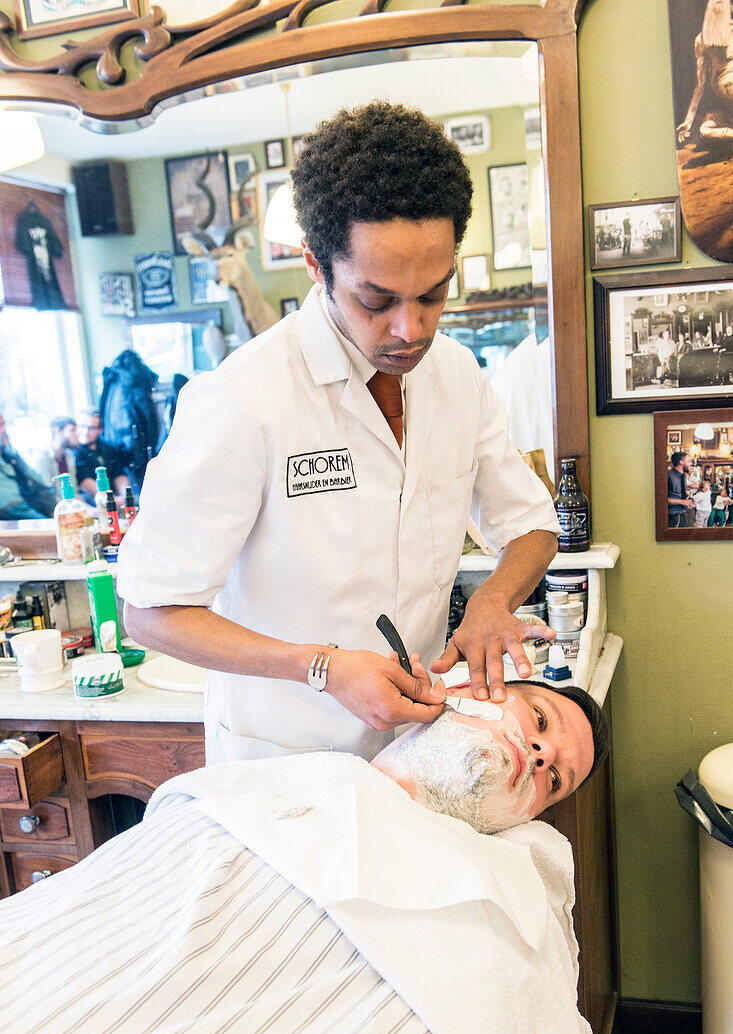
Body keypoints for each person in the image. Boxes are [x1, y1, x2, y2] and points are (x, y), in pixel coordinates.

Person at [118, 101, 560, 765]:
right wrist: (320, 667)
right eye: (376, 300)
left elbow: (530, 524)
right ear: (316, 267)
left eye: (434, 294)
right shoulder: (242, 398)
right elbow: (149, 611)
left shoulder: (457, 376)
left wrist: (492, 602)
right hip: (283, 766)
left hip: (412, 750)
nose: (411, 329)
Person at [0, 679, 606, 1034]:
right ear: (477, 691)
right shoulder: (273, 794)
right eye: (542, 721)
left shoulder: (496, 903)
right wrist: (319, 664)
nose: (542, 753)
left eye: (555, 778)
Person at [0, 413, 56, 520]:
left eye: (4, 425)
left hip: (33, 508)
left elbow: (39, 483)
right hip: (16, 517)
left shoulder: (9, 454)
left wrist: (54, 511)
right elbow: (12, 506)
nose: (4, 430)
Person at [73, 408, 130, 507]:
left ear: (100, 430)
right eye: (81, 426)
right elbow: (85, 481)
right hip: (91, 500)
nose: (85, 432)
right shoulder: (73, 451)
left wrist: (126, 496)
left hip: (113, 496)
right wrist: (110, 499)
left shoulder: (108, 447)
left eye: (91, 428)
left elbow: (119, 474)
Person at [32, 414, 79, 493]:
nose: (77, 434)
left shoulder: (69, 456)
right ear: (57, 431)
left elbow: (74, 493)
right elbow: (49, 495)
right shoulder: (42, 457)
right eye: (72, 430)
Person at [667, 450, 696, 528]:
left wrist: (689, 498)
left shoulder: (683, 476)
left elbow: (680, 492)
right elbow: (661, 499)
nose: (691, 463)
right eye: (689, 461)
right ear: (681, 462)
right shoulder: (668, 476)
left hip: (683, 513)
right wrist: (682, 502)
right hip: (672, 515)